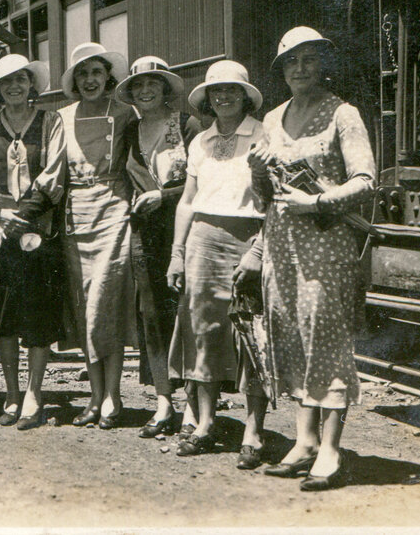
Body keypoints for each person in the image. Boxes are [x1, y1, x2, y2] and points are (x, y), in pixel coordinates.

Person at [251, 27, 376, 490]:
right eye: (291, 62)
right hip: (281, 245)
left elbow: (366, 180)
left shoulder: (343, 114)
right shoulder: (271, 118)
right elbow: (263, 196)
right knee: (292, 334)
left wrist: (317, 204)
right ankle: (303, 441)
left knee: (325, 335)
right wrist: (256, 171)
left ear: (323, 63)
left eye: (308, 59)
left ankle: (330, 448)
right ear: (281, 71)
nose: (300, 69)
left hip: (326, 245)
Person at [166, 60, 269, 461]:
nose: (223, 96)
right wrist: (177, 253)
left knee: (252, 332)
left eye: (231, 90)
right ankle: (205, 422)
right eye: (215, 91)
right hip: (203, 240)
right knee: (203, 330)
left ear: (245, 95)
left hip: (250, 238)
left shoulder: (263, 134)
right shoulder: (201, 142)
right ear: (208, 99)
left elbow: (274, 199)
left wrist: (259, 249)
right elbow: (187, 201)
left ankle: (254, 432)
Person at [0, 53, 66, 429]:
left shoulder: (51, 122)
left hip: (37, 228)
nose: (14, 87)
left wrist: (22, 215)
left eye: (20, 80)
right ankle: (11, 393)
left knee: (36, 313)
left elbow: (55, 173)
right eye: (6, 82)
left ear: (30, 84)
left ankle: (34, 394)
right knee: (3, 314)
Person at [116, 56, 198, 438]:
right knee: (151, 314)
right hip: (144, 233)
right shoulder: (130, 130)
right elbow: (121, 178)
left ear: (166, 88)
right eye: (138, 85)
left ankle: (196, 405)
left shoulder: (187, 125)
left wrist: (163, 197)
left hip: (184, 230)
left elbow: (206, 180)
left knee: (188, 312)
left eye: (153, 83)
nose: (145, 90)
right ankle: (164, 402)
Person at [59, 42, 137, 430]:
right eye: (82, 74)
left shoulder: (125, 113)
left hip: (113, 208)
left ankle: (113, 394)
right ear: (74, 80)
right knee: (83, 304)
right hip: (75, 214)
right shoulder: (61, 117)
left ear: (107, 76)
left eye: (96, 73)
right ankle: (94, 394)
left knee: (107, 301)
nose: (90, 81)